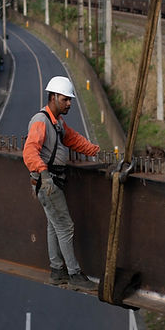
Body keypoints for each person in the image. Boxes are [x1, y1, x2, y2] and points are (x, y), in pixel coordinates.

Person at [22, 75, 100, 292]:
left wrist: (94, 150)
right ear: (54, 97)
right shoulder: (41, 121)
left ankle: (57, 271)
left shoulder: (57, 123)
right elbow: (29, 151)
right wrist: (44, 174)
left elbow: (73, 139)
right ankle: (74, 274)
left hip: (51, 182)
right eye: (65, 99)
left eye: (70, 100)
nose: (69, 103)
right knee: (65, 226)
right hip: (49, 184)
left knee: (54, 226)